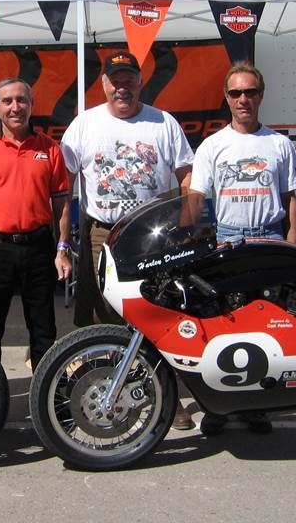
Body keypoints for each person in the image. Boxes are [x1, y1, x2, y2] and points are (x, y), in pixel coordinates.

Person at [60, 50, 195, 430]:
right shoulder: (84, 125)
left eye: (128, 79)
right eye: (114, 80)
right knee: (102, 316)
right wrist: (63, 240)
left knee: (157, 314)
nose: (122, 87)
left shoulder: (163, 123)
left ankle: (168, 396)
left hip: (153, 236)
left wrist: (183, 225)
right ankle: (101, 390)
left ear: (140, 81)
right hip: (101, 233)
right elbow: (63, 186)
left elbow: (187, 176)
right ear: (103, 84)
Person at [189, 60, 296, 435]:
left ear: (261, 96)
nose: (243, 99)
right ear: (226, 98)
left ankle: (258, 406)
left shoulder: (279, 144)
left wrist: (293, 247)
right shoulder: (212, 145)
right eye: (236, 93)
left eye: (250, 92)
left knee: (265, 327)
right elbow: (194, 199)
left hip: (269, 238)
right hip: (228, 239)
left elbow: (290, 201)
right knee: (224, 326)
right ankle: (221, 407)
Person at [0, 77, 72, 371]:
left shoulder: (50, 148)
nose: (15, 107)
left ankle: (47, 397)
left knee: (44, 326)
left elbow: (61, 204)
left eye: (22, 100)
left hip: (38, 247)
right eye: (7, 101)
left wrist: (61, 248)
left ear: (32, 105)